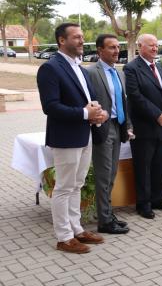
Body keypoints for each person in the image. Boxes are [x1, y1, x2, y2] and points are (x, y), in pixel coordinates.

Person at [37, 23, 107, 253]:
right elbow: (51, 107)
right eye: (76, 37)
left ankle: (77, 229)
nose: (81, 41)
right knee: (64, 188)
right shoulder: (50, 68)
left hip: (84, 134)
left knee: (77, 185)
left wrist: (99, 113)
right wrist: (85, 113)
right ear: (61, 41)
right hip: (65, 137)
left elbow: (91, 99)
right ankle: (63, 237)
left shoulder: (81, 68)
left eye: (82, 37)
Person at [124, 34, 162, 219]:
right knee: (143, 167)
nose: (155, 49)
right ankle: (144, 203)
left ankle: (158, 198)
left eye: (156, 45)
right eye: (151, 46)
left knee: (160, 165)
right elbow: (135, 96)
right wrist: (157, 115)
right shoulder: (131, 68)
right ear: (140, 46)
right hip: (145, 127)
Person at [87, 34, 131, 233]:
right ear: (99, 51)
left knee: (112, 174)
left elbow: (123, 101)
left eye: (117, 47)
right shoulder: (91, 73)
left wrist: (127, 125)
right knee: (104, 176)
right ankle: (104, 222)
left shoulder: (119, 73)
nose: (116, 51)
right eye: (111, 47)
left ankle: (107, 213)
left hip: (118, 127)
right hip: (102, 129)